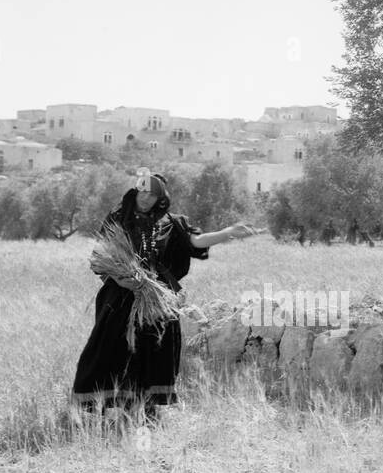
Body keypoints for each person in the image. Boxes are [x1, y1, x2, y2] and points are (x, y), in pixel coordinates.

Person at [71, 172, 259, 423]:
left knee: (156, 346)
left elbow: (197, 241)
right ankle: (107, 403)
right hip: (120, 294)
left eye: (153, 194)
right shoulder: (118, 218)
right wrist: (118, 279)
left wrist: (228, 233)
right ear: (136, 191)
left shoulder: (172, 223)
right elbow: (100, 254)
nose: (146, 198)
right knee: (111, 346)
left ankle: (145, 408)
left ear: (160, 198)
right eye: (143, 192)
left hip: (157, 295)